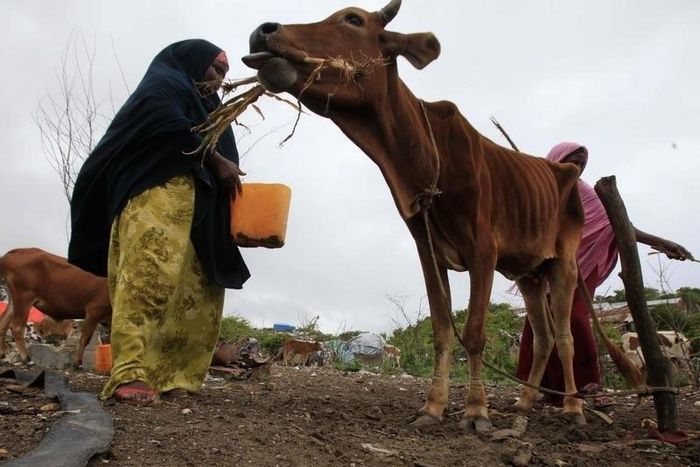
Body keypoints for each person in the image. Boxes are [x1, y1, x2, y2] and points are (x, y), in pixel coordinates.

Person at [68, 39, 250, 405]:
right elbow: (163, 120)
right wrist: (215, 161)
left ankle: (175, 375)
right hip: (156, 194)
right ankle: (131, 373)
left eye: (226, 74)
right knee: (149, 278)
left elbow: (224, 156)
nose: (219, 80)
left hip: (199, 214)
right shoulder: (165, 84)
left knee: (196, 293)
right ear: (192, 62)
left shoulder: (209, 108)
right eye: (216, 69)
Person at [515, 142, 694, 408]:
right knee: (537, 322)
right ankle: (547, 389)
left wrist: (664, 243)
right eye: (571, 162)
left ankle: (589, 386)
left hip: (578, 267)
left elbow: (614, 224)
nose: (576, 168)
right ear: (556, 160)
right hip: (543, 263)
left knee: (575, 320)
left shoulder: (584, 192)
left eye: (581, 164)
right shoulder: (540, 187)